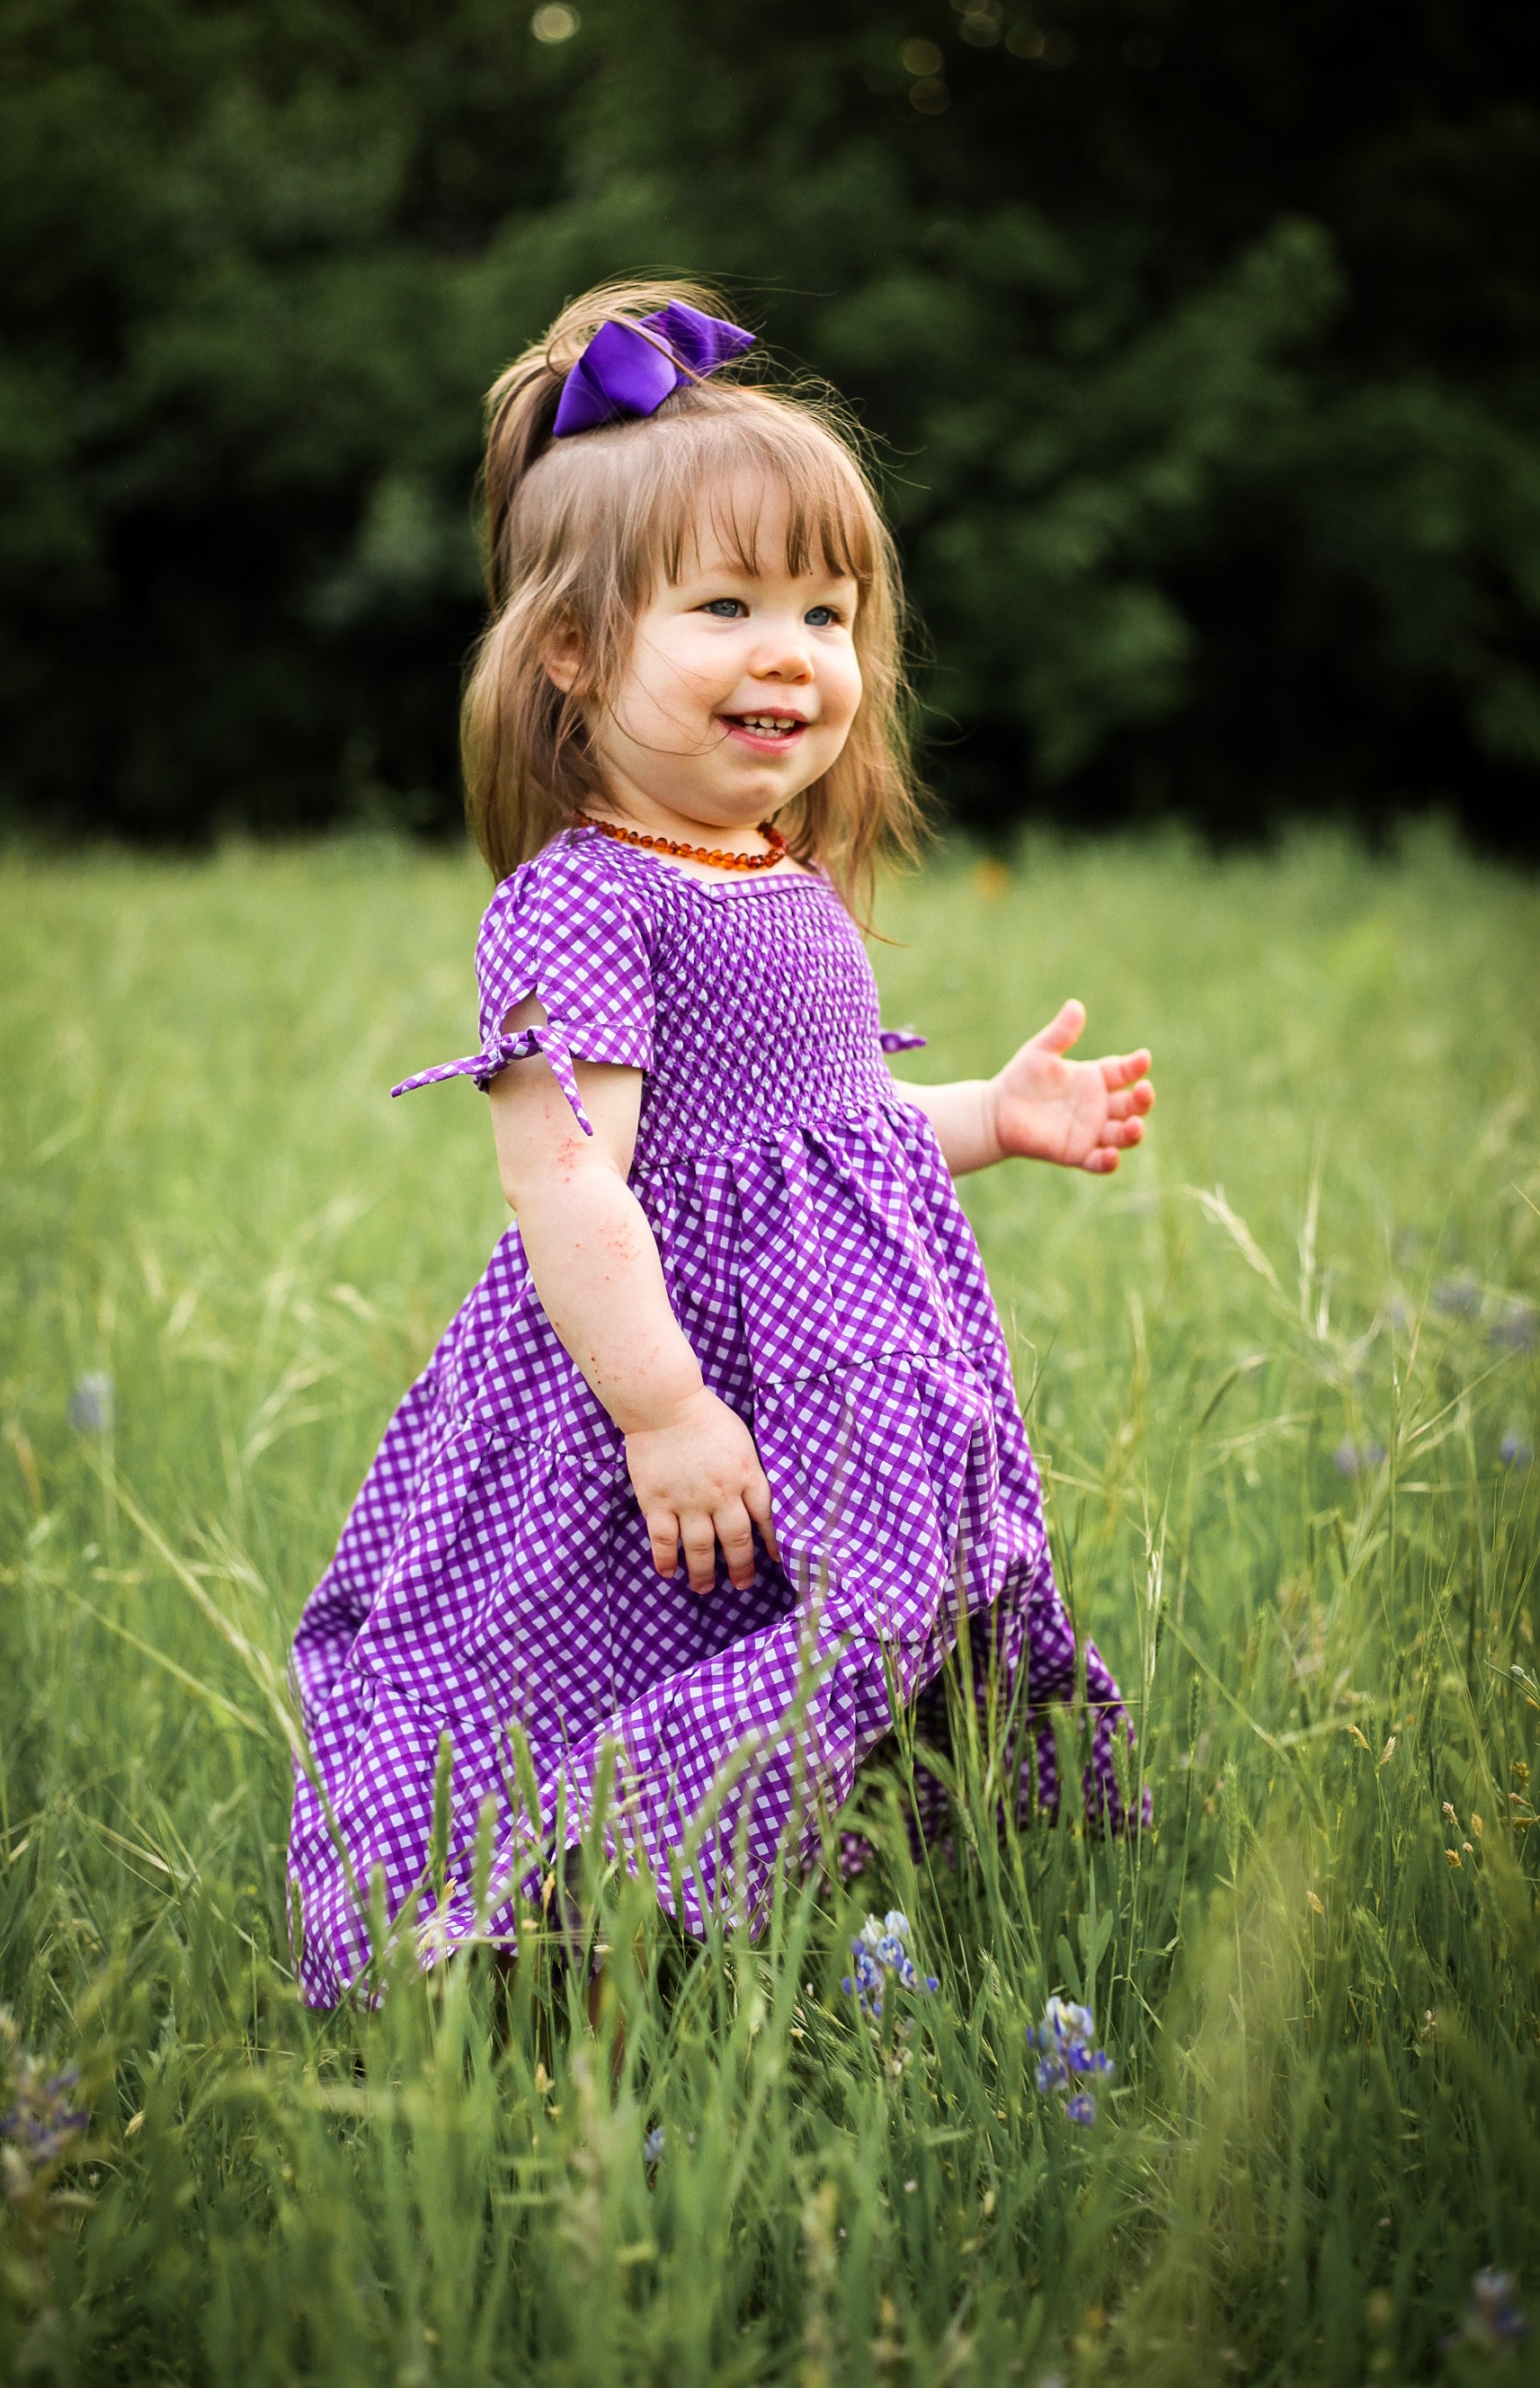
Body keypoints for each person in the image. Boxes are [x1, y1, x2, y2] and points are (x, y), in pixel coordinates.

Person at [287, 281, 1155, 2008]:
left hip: (829, 1373)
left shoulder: (778, 881)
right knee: (628, 1650)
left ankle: (759, 1915)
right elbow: (567, 1180)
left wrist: (991, 1117)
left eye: (829, 612)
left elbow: (818, 1134)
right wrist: (667, 1413)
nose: (794, 652)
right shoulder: (584, 901)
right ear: (571, 650)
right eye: (728, 606)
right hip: (670, 1375)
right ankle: (542, 1922)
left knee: (864, 1623)